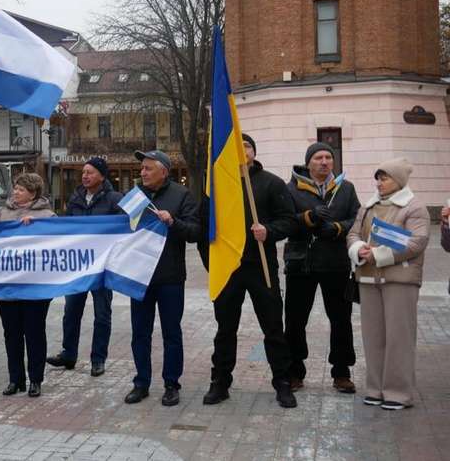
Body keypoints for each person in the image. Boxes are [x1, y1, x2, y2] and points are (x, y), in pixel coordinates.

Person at [201, 134, 299, 409]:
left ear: (254, 152)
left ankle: (282, 382)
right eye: (237, 146)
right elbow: (203, 228)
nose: (242, 150)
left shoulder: (272, 183)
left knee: (273, 328)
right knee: (225, 329)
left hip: (261, 267)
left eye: (247, 146)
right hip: (228, 269)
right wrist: (212, 264)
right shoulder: (217, 186)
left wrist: (269, 231)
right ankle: (220, 382)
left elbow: (289, 221)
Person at [347, 157, 430, 410]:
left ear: (399, 181)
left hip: (399, 280)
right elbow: (353, 233)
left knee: (399, 337)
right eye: (378, 178)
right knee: (373, 337)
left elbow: (417, 242)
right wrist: (359, 249)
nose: (379, 183)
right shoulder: (369, 206)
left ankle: (398, 392)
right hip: (369, 278)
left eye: (385, 178)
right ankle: (375, 388)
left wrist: (378, 254)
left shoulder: (414, 207)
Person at [123, 150, 199, 407]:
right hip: (140, 276)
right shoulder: (135, 197)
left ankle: (171, 384)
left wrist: (173, 221)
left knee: (171, 333)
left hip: (170, 277)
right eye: (141, 168)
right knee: (140, 333)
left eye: (147, 168)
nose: (142, 172)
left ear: (164, 171)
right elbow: (118, 227)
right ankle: (141, 383)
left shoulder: (181, 195)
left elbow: (195, 232)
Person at [283, 142, 360, 394]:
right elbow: (284, 223)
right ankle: (294, 371)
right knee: (295, 321)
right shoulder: (291, 190)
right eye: (318, 157)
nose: (324, 161)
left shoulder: (345, 188)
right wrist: (309, 217)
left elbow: (357, 220)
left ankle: (341, 372)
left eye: (328, 157)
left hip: (335, 262)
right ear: (308, 163)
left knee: (340, 319)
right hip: (300, 262)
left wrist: (337, 228)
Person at [0, 173, 56, 397]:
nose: (15, 192)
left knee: (34, 332)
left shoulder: (47, 215)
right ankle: (15, 379)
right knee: (11, 333)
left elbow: (56, 242)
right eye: (15, 188)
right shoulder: (2, 212)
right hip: (7, 284)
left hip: (35, 285)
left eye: (21, 189)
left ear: (33, 193)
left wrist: (36, 227)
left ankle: (35, 379)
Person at [46, 157, 122, 377]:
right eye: (83, 172)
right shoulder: (76, 198)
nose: (85, 176)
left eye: (90, 172)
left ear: (102, 176)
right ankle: (68, 354)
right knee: (71, 312)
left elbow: (124, 227)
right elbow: (68, 227)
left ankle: (98, 359)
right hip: (79, 267)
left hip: (102, 268)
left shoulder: (115, 199)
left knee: (102, 314)